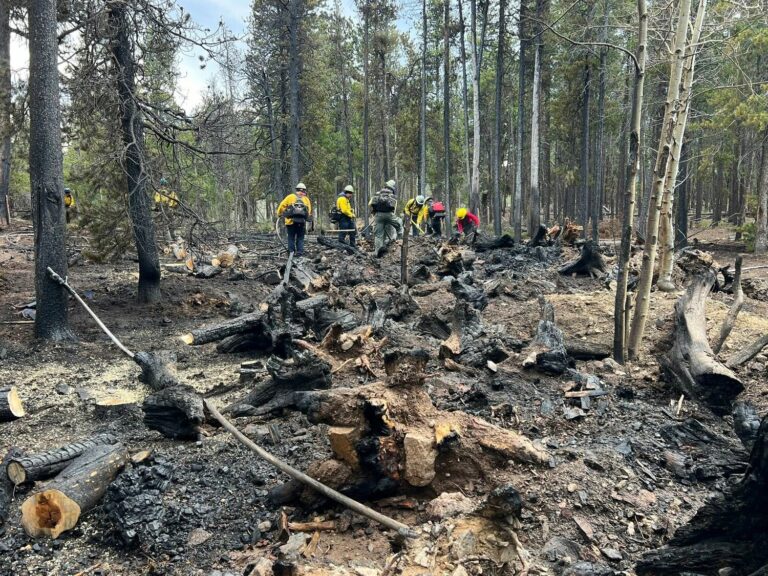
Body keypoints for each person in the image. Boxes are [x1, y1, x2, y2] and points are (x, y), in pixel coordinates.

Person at [368, 179, 403, 257]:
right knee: (399, 223)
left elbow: (370, 203)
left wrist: (375, 211)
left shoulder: (378, 194)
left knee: (378, 235)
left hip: (378, 216)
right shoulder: (392, 195)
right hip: (389, 215)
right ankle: (400, 241)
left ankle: (378, 253)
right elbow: (394, 207)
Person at [277, 182, 312, 256]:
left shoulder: (290, 197)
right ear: (304, 190)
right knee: (300, 238)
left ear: (296, 189)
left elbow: (281, 206)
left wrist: (280, 214)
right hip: (301, 222)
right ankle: (299, 252)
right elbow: (308, 211)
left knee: (291, 237)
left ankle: (291, 252)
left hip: (290, 222)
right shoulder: (306, 199)